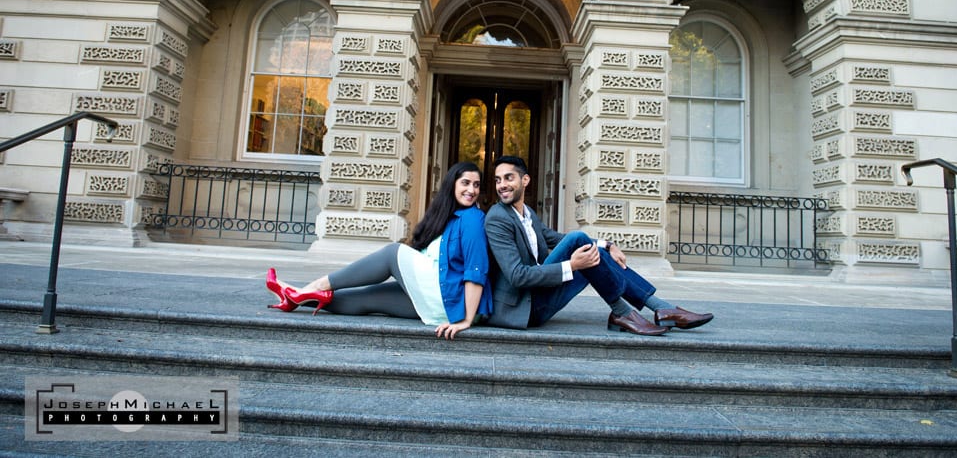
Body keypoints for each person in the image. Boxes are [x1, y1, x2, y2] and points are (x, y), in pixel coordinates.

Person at [484, 155, 713, 336]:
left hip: (538, 297)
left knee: (593, 253)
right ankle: (640, 310)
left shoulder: (527, 214)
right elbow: (517, 276)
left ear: (525, 180)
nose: (502, 185)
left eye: (508, 178)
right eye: (498, 180)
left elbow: (553, 238)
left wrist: (607, 245)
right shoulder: (497, 218)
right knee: (578, 241)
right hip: (523, 309)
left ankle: (648, 310)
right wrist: (572, 266)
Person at [267, 161, 492, 340]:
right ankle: (297, 297)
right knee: (368, 299)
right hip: (439, 300)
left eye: (476, 185)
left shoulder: (472, 218)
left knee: (392, 253)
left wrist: (466, 320)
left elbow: (476, 270)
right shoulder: (448, 218)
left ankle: (314, 286)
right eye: (465, 183)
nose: (471, 190)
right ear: (452, 184)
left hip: (449, 298)